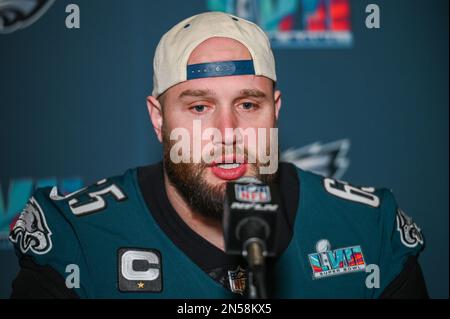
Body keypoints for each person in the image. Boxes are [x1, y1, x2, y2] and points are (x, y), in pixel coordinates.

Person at [9, 11, 428, 298]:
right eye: (198, 107)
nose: (227, 133)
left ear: (275, 111)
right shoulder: (78, 239)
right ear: (158, 119)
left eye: (247, 105)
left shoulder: (367, 229)